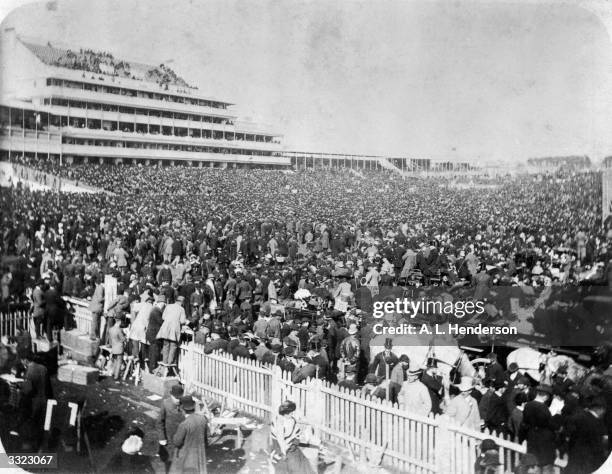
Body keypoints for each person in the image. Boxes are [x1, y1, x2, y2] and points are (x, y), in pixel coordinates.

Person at [564, 396, 609, 474]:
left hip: (574, 453)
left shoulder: (578, 416)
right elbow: (597, 444)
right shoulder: (597, 424)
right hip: (588, 459)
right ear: (601, 409)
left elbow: (569, 432)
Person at [519, 385, 557, 474]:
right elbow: (550, 425)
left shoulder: (528, 405)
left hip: (532, 441)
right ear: (546, 396)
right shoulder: (544, 409)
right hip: (545, 445)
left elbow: (525, 424)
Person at [270, 400, 314, 474]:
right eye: (291, 413)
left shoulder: (292, 420)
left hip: (290, 443)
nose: (292, 414)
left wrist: (295, 442)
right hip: (279, 444)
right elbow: (280, 440)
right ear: (285, 413)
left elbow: (296, 433)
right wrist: (284, 452)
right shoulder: (279, 422)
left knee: (302, 459)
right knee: (288, 462)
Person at [172, 395, 209, 474]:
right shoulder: (203, 419)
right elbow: (205, 439)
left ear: (183, 409)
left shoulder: (184, 424)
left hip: (188, 458)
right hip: (200, 455)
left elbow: (177, 442)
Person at [158, 384, 186, 474]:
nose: (178, 400)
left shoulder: (185, 403)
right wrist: (162, 437)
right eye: (176, 398)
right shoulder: (165, 403)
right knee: (170, 461)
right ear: (171, 395)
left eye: (179, 398)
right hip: (169, 437)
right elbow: (159, 422)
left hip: (182, 437)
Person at [156, 295, 187, 366]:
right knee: (173, 346)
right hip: (174, 329)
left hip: (166, 328)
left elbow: (163, 317)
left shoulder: (168, 306)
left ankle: (165, 361)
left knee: (165, 345)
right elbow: (182, 321)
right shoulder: (181, 309)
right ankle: (170, 363)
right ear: (182, 302)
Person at [109, 316, 127, 381]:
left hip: (114, 347)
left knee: (115, 361)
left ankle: (113, 373)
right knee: (119, 362)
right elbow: (123, 339)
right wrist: (125, 335)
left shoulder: (111, 329)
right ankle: (116, 376)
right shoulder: (119, 330)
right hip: (119, 348)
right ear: (119, 322)